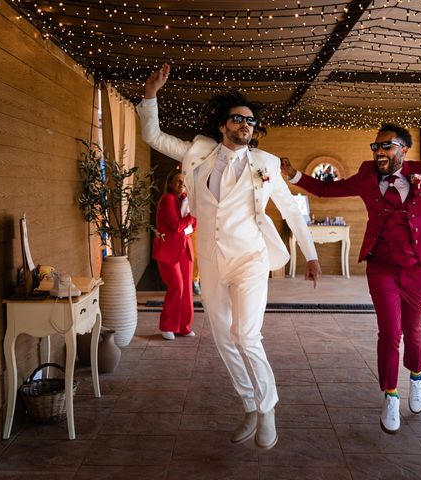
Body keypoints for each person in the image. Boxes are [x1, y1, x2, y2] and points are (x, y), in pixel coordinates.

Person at [281, 124, 421, 433]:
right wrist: (294, 174)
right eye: (375, 147)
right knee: (389, 333)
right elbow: (327, 190)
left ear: (404, 149)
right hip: (381, 266)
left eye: (387, 146)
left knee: (413, 328)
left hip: (417, 267)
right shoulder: (367, 175)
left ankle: (416, 377)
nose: (379, 152)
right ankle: (390, 396)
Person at [137, 63, 322, 449]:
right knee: (223, 337)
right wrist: (151, 94)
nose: (245, 126)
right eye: (238, 120)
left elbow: (290, 209)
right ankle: (250, 405)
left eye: (251, 122)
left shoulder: (266, 165)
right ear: (223, 125)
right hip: (212, 259)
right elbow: (152, 135)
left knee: (247, 334)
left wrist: (310, 254)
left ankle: (268, 408)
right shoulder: (198, 153)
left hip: (251, 258)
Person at [152, 170, 197, 340]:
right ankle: (167, 326)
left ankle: (184, 327)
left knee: (187, 290)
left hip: (185, 248)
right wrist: (191, 218)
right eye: (177, 181)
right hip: (168, 250)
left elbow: (194, 226)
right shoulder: (167, 199)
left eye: (183, 182)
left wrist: (190, 221)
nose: (181, 184)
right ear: (170, 183)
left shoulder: (186, 200)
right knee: (177, 286)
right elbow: (177, 226)